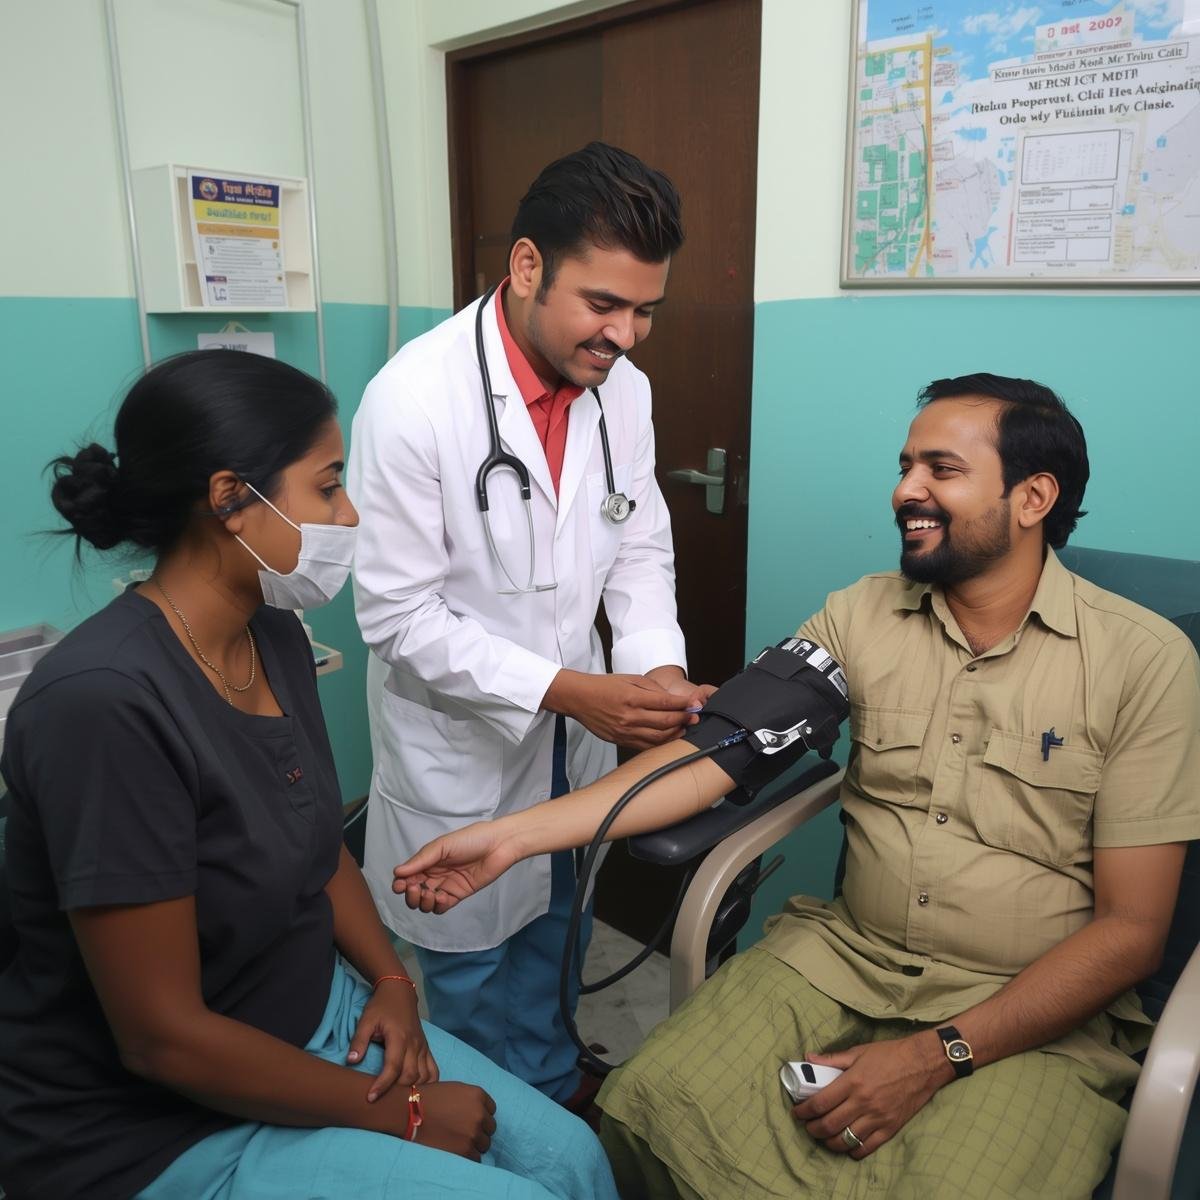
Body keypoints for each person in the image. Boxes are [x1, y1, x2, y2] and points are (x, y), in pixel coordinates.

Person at [391, 373, 1200, 1199]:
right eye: (906, 466)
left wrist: (934, 1056)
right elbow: (710, 756)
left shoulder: (1142, 662)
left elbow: (1133, 932)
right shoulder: (862, 616)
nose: (906, 491)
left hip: (1029, 1004)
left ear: (1033, 497)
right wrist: (513, 837)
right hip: (847, 956)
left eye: (942, 470)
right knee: (645, 1106)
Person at [0, 350, 616, 1200]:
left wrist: (390, 980)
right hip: (149, 1120)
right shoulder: (104, 706)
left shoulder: (274, 634)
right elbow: (160, 1039)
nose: (349, 513)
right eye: (328, 487)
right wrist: (401, 1115)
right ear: (230, 499)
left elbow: (316, 845)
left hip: (310, 1013)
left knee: (574, 1160)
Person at [349, 141, 710, 1106]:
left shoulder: (622, 390)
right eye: (604, 304)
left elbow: (638, 547)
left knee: (561, 927)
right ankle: (490, 1122)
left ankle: (551, 1087)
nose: (626, 336)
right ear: (525, 267)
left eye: (645, 311)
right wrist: (570, 690)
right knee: (472, 963)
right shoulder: (413, 400)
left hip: (576, 729)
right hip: (463, 736)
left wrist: (654, 671)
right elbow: (395, 614)